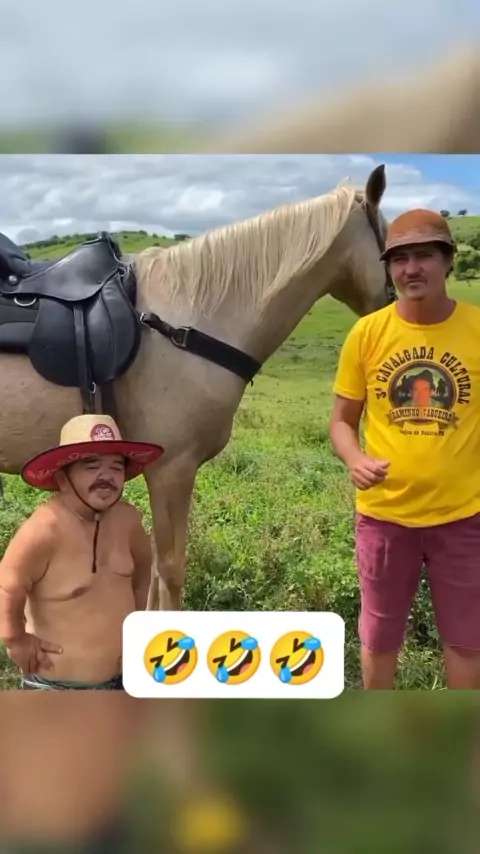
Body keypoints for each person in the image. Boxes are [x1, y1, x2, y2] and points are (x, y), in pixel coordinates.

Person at [329, 208, 480, 690]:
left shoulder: (477, 329)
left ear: (448, 261)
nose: (411, 269)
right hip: (384, 518)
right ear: (388, 268)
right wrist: (355, 458)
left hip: (464, 519)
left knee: (468, 641)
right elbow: (341, 422)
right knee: (379, 637)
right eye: (400, 259)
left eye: (424, 256)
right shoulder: (367, 333)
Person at [0, 413, 164, 690]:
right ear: (63, 478)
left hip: (121, 680)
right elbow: (7, 587)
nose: (106, 476)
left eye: (116, 467)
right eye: (92, 466)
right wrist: (16, 640)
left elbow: (143, 575)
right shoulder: (44, 529)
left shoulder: (129, 521)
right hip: (56, 688)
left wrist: (140, 628)